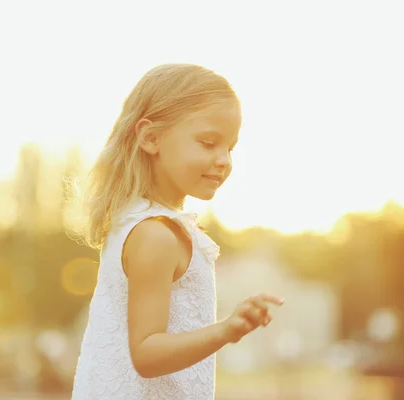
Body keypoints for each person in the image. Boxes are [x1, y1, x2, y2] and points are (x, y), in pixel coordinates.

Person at [71, 64, 284, 400]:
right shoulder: (155, 235)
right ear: (151, 138)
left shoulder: (142, 223)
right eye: (209, 143)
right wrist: (226, 330)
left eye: (230, 147)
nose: (224, 160)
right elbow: (146, 353)